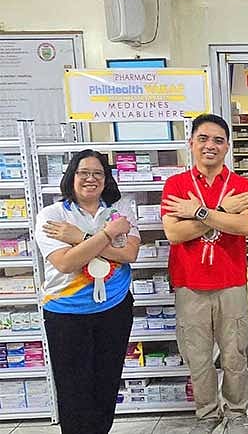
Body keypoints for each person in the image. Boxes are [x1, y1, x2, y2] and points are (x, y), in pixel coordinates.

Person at [161, 113, 248, 434]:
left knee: (234, 355)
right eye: (203, 139)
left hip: (231, 283)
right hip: (190, 285)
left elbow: (246, 226)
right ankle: (207, 414)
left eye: (218, 140)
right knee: (198, 356)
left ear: (227, 146)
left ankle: (237, 412)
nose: (210, 146)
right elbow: (174, 233)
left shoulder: (241, 185)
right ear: (191, 143)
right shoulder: (176, 185)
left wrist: (199, 213)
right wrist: (223, 212)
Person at [35, 149, 140, 434]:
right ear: (72, 176)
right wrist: (107, 235)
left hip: (114, 309)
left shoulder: (119, 210)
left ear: (106, 179)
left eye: (98, 173)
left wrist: (79, 238)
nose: (90, 179)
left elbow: (129, 254)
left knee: (106, 384)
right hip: (67, 313)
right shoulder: (52, 215)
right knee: (73, 390)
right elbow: (66, 262)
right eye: (83, 173)